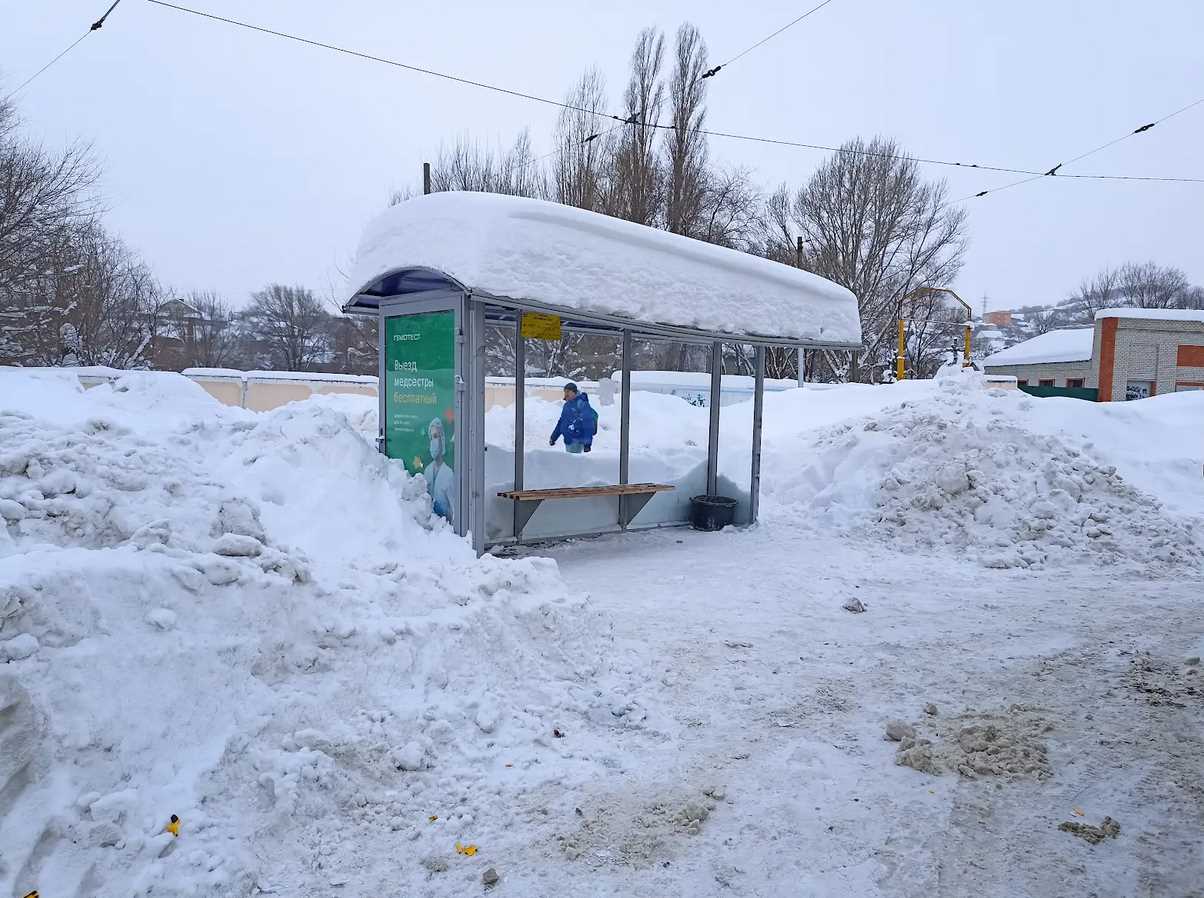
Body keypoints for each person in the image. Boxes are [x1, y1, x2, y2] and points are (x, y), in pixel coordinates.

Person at [549, 382, 597, 454]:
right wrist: (553, 437)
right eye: (565, 392)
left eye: (568, 392)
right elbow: (562, 422)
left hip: (576, 440)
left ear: (574, 392)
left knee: (573, 463)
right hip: (568, 441)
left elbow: (588, 424)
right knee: (570, 462)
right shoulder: (567, 405)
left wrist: (587, 443)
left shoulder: (581, 404)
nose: (566, 394)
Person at [425, 417, 456, 523]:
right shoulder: (427, 471)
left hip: (444, 530)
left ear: (442, 439)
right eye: (431, 438)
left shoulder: (449, 475)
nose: (433, 441)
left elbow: (455, 510)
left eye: (435, 436)